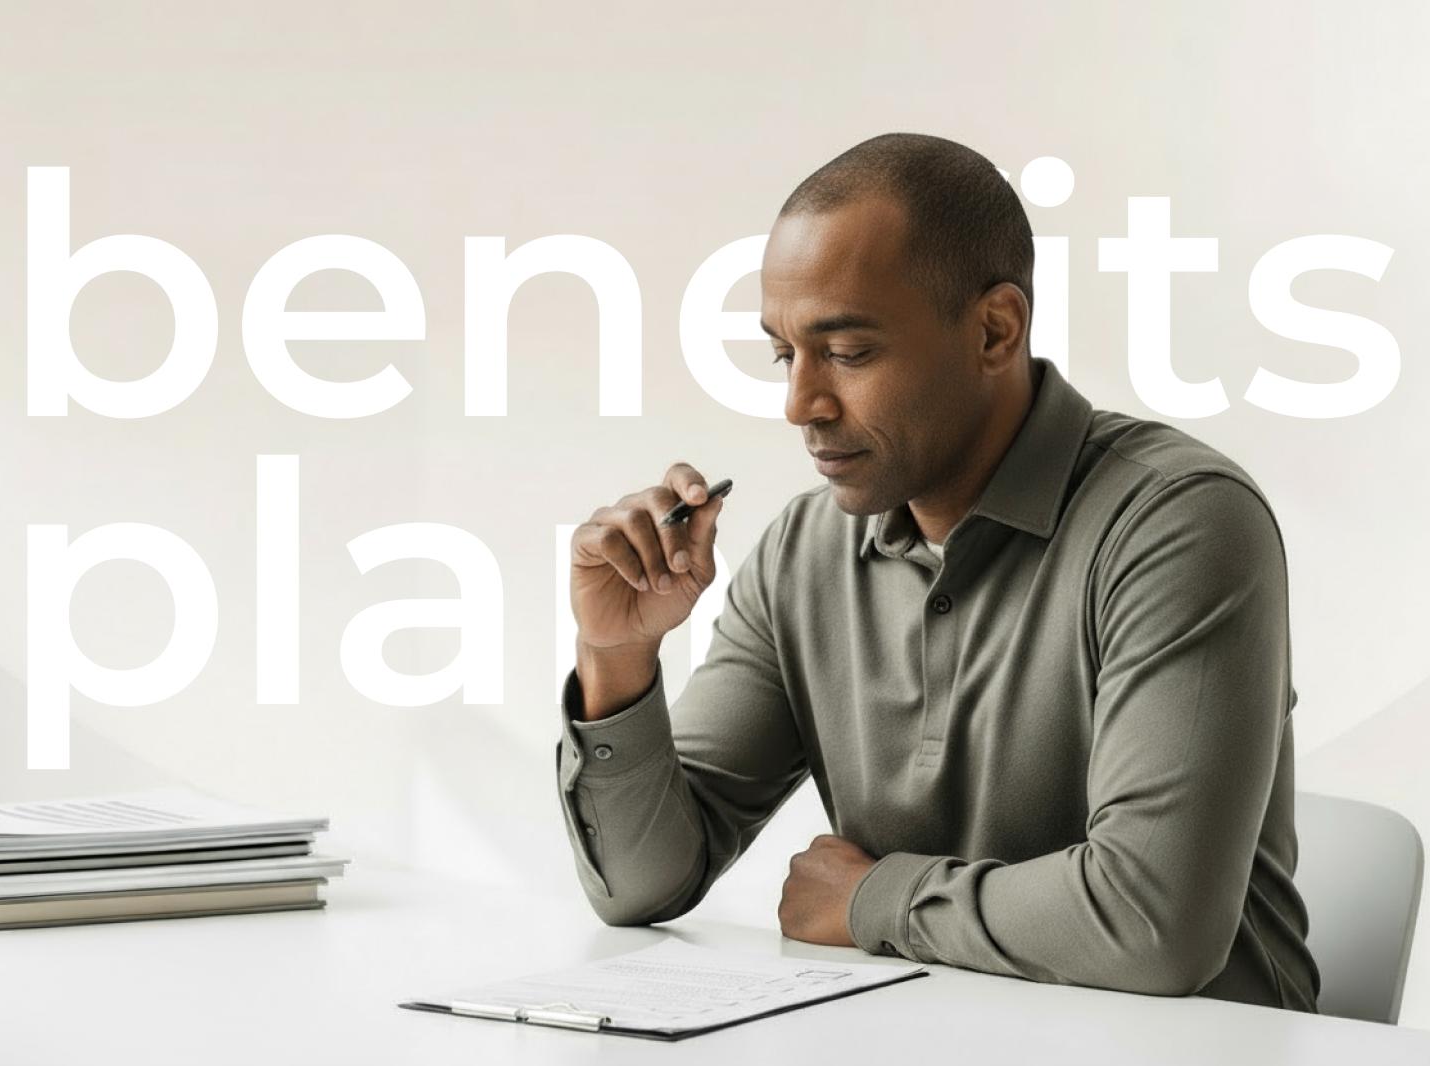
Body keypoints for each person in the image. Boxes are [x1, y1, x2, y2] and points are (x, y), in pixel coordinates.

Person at [555, 132, 1321, 1011]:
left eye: (846, 353)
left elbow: (1154, 925)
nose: (800, 403)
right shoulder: (805, 552)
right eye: (783, 353)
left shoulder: (1180, 521)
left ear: (995, 330)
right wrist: (615, 660)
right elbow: (641, 887)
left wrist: (871, 899)